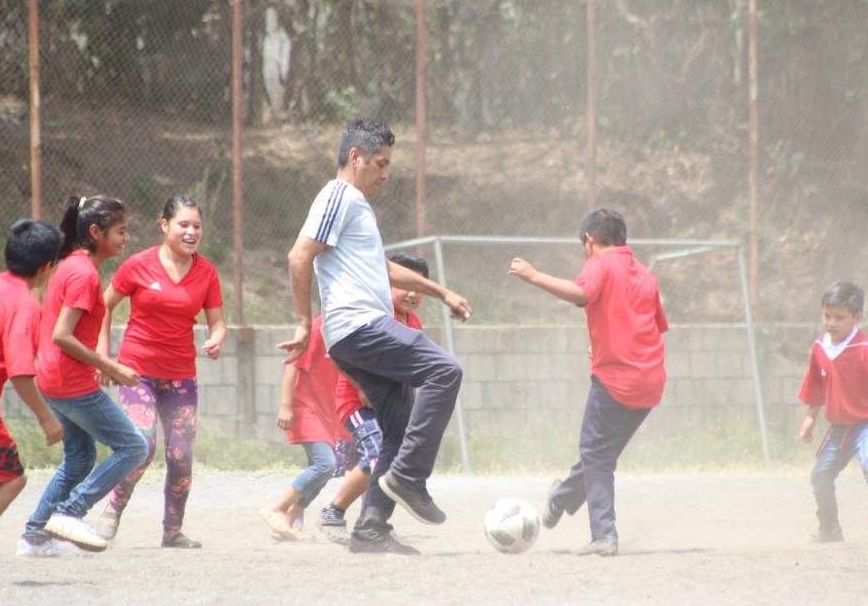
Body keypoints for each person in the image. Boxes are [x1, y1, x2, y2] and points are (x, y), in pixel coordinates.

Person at [282, 119, 472, 555]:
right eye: (380, 164)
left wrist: (441, 292)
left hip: (359, 332)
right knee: (445, 370)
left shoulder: (357, 208)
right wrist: (300, 321)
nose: (386, 174)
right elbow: (299, 256)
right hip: (359, 326)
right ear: (355, 157)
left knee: (398, 425)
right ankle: (408, 477)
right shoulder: (338, 195)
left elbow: (384, 268)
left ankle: (371, 528)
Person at [509, 207, 667, 557]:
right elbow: (650, 325)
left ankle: (604, 535)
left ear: (589, 240)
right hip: (652, 380)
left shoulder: (600, 263)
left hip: (617, 378)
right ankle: (560, 499)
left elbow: (582, 294)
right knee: (601, 453)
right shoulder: (646, 274)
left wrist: (533, 275)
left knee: (596, 454)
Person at [18, 195, 148, 555]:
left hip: (52, 380)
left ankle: (34, 536)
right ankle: (71, 511)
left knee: (79, 457)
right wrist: (111, 366)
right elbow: (62, 334)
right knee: (134, 446)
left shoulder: (72, 266)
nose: (126, 238)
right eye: (120, 231)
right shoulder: (83, 274)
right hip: (69, 384)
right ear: (95, 232)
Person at [95, 194, 226, 549]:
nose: (191, 232)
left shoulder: (207, 272)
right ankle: (114, 507)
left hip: (181, 377)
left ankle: (172, 530)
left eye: (196, 226)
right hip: (137, 373)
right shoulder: (137, 265)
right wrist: (104, 356)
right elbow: (102, 307)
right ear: (164, 225)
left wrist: (215, 339)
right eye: (183, 224)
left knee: (181, 455)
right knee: (142, 443)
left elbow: (218, 323)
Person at [0, 220, 65, 583]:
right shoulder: (24, 305)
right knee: (12, 478)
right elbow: (21, 372)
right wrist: (46, 418)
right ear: (46, 268)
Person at [317, 253, 429, 544]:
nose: (412, 293)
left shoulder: (413, 323)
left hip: (390, 407)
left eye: (419, 286)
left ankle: (370, 521)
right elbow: (337, 354)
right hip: (358, 403)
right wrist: (361, 387)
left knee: (385, 459)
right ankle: (333, 511)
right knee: (378, 454)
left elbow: (412, 368)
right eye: (403, 284)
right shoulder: (373, 316)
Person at [798, 281, 868, 543]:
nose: (831, 322)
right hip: (839, 427)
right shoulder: (820, 347)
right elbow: (816, 385)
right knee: (820, 474)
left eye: (840, 317)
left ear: (856, 317)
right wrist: (810, 417)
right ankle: (830, 528)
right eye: (827, 315)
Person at [259, 314, 348, 541]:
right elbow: (293, 365)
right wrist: (285, 405)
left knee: (325, 470)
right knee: (324, 464)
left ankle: (290, 523)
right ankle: (276, 508)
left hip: (331, 413)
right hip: (307, 409)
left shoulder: (352, 327)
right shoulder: (318, 328)